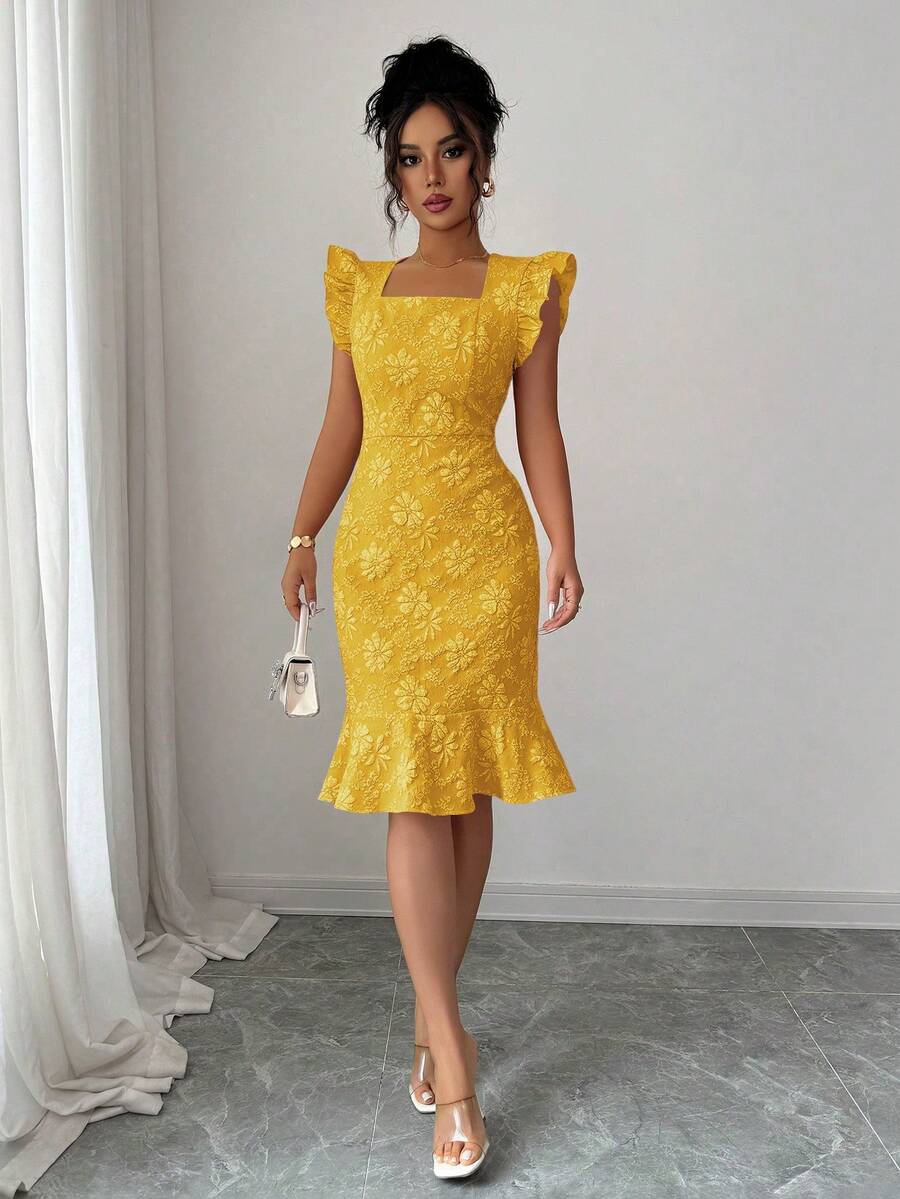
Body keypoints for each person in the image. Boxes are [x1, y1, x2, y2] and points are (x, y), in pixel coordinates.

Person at [280, 35, 584, 1181]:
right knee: (412, 785)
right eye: (410, 158)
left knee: (465, 790)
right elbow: (341, 428)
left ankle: (428, 1010)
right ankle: (453, 1057)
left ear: (485, 157)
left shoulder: (525, 287)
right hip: (383, 567)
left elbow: (539, 427)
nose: (433, 175)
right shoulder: (363, 289)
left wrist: (563, 541)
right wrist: (302, 534)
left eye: (451, 150)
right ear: (393, 175)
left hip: (485, 559)